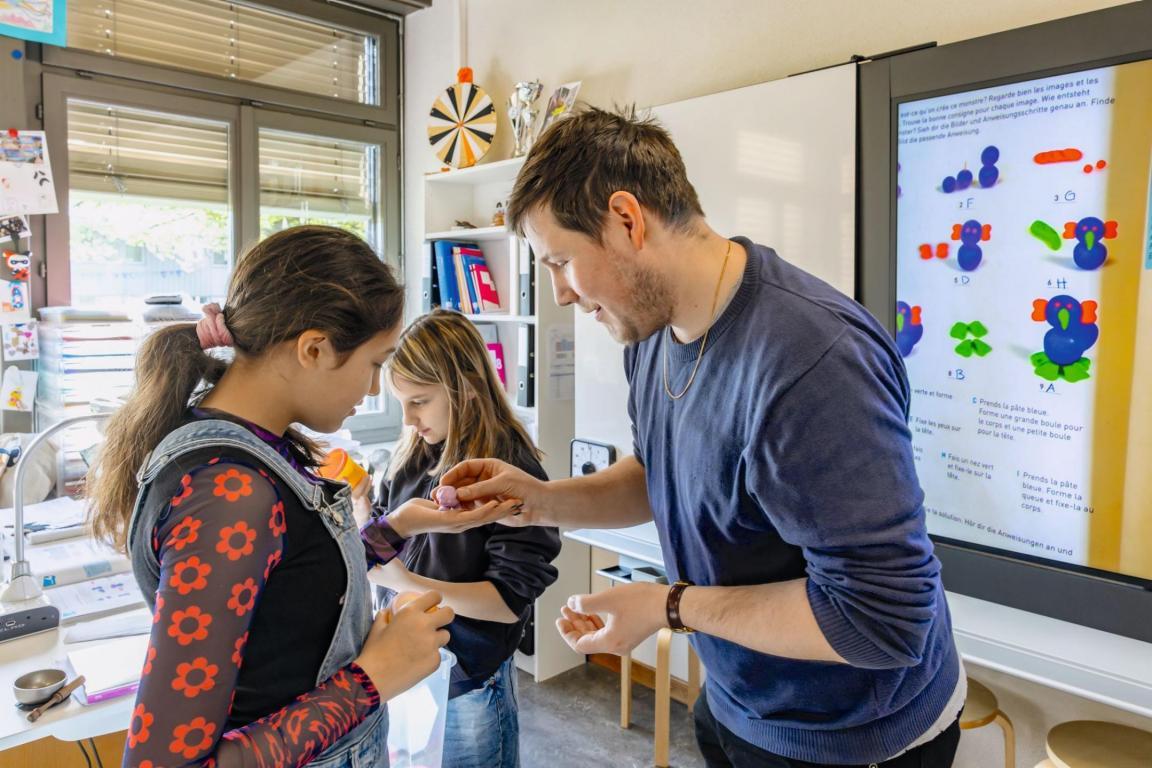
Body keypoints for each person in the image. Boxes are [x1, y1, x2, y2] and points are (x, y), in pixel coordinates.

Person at [439, 108, 965, 768]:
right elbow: (667, 473)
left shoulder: (813, 363)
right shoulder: (652, 333)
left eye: (562, 261)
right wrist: (538, 501)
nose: (562, 294)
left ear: (627, 220)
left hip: (853, 733)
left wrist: (669, 606)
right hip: (739, 699)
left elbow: (883, 620)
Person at [87, 226, 518, 768]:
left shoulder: (264, 451)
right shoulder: (229, 492)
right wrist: (371, 678)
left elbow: (292, 586)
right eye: (375, 363)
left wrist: (401, 526)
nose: (370, 389)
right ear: (314, 349)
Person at [369, 309, 560, 768]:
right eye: (402, 403)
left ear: (465, 387)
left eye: (420, 401)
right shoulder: (411, 455)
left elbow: (506, 602)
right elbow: (377, 542)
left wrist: (404, 582)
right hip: (410, 669)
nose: (410, 418)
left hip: (469, 682)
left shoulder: (512, 471)